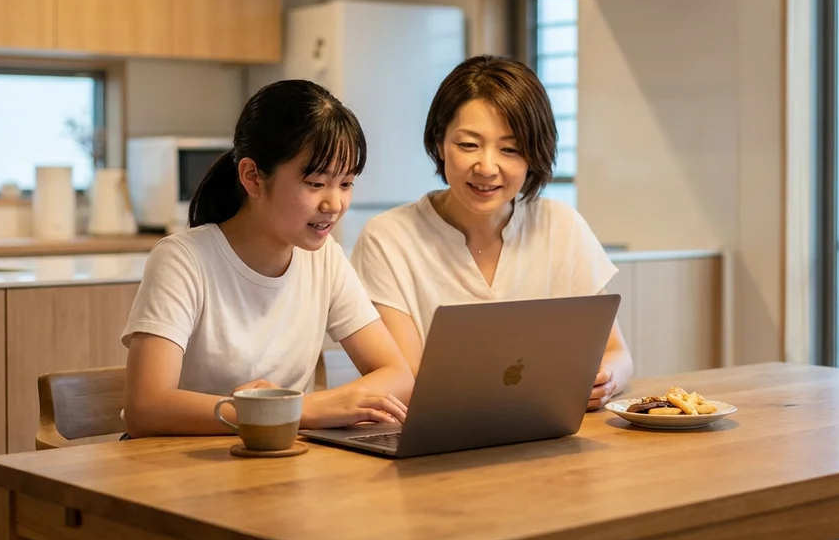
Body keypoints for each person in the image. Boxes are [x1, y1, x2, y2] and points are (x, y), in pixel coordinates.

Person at [121, 80, 414, 438]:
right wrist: (303, 408)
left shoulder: (325, 261)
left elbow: (399, 375)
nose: (334, 204)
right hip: (180, 468)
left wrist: (305, 408)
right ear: (253, 177)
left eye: (346, 183)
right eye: (316, 183)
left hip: (277, 460)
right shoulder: (183, 260)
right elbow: (145, 408)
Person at [350, 56, 632, 411]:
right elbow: (410, 379)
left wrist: (605, 380)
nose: (486, 167)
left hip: (548, 434)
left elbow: (617, 354)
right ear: (439, 142)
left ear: (533, 155)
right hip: (441, 443)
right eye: (468, 145)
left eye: (509, 149)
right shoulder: (388, 238)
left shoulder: (561, 226)